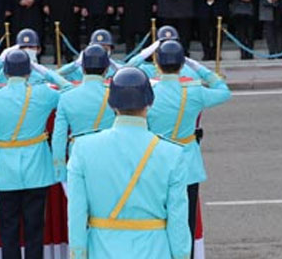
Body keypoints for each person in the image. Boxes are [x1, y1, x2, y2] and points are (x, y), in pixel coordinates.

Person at [67, 67, 191, 259]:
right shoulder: (172, 153)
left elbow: (76, 214)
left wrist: (78, 254)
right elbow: (178, 221)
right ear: (150, 102)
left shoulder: (83, 148)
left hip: (102, 249)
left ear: (111, 104)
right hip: (155, 250)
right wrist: (182, 255)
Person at [0, 50, 71, 259]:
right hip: (37, 167)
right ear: (29, 72)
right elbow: (68, 89)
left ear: (5, 72)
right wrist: (44, 71)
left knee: (8, 231)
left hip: (4, 170)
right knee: (35, 231)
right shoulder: (43, 94)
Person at [147, 40, 229, 254]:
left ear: (157, 63)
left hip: (156, 162)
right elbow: (222, 90)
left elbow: (125, 72)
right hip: (187, 163)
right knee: (186, 224)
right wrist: (197, 66)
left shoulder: (148, 90)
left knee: (157, 224)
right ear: (182, 64)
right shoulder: (194, 91)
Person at [51, 44, 114, 182]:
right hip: (110, 154)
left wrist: (59, 169)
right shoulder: (114, 94)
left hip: (78, 154)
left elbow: (59, 137)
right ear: (107, 69)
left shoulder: (67, 97)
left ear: (82, 68)